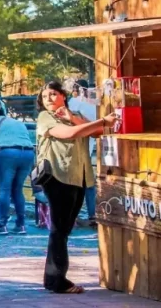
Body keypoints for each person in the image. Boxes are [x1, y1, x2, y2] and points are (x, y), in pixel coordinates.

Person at [36, 81, 117, 294]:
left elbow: (97, 132)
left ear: (64, 96)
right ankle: (57, 280)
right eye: (45, 97)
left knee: (64, 229)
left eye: (53, 94)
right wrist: (102, 120)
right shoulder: (46, 117)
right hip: (58, 176)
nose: (49, 99)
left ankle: (52, 278)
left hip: (79, 177)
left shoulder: (76, 114)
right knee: (59, 229)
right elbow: (70, 134)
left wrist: (72, 117)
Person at [0, 103, 35, 235]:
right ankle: (21, 224)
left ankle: (2, 225)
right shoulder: (17, 122)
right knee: (18, 189)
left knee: (4, 189)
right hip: (28, 153)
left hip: (7, 153)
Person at [68, 79, 98, 226]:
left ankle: (72, 216)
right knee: (89, 184)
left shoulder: (74, 102)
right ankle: (92, 214)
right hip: (88, 147)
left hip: (72, 149)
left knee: (72, 184)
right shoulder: (93, 104)